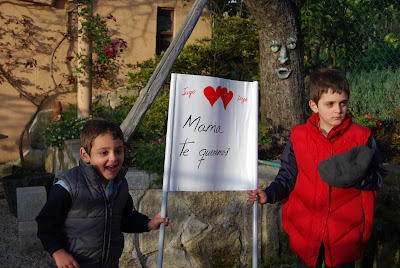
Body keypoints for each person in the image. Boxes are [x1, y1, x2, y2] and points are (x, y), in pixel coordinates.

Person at [248, 68, 388, 268]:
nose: (338, 110)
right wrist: (269, 194)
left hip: (345, 231)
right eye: (330, 104)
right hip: (307, 228)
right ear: (314, 105)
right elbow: (287, 176)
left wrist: (358, 178)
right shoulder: (299, 136)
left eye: (343, 103)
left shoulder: (362, 138)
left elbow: (379, 176)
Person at [36, 118, 169, 268]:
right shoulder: (68, 186)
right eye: (104, 152)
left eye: (118, 151)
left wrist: (148, 223)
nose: (113, 158)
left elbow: (125, 218)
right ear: (85, 155)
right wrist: (58, 252)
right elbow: (46, 223)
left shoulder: (120, 185)